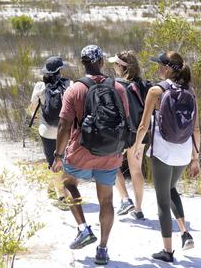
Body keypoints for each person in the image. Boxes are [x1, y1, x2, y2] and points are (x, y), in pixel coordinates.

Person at [52, 45, 130, 266]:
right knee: (106, 200)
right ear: (102, 62)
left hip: (81, 151)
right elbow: (124, 119)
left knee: (68, 183)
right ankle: (103, 250)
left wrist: (58, 155)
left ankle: (83, 228)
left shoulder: (75, 89)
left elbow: (64, 125)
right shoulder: (118, 88)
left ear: (82, 63)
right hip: (110, 153)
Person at [132, 51, 201, 263]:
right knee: (171, 189)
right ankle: (184, 232)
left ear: (169, 68)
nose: (158, 69)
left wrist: (136, 146)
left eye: (160, 65)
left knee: (162, 201)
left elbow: (144, 125)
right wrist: (196, 158)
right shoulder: (190, 91)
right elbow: (196, 129)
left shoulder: (156, 91)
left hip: (162, 151)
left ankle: (168, 251)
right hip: (182, 151)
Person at [107, 50, 150, 220]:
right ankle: (138, 209)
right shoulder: (145, 84)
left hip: (124, 135)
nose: (114, 67)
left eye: (116, 64)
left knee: (111, 166)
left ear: (122, 67)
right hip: (141, 134)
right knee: (136, 170)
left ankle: (125, 199)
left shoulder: (116, 85)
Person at [29, 56, 71, 209]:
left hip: (46, 130)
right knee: (61, 161)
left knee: (52, 162)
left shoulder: (40, 86)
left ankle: (60, 195)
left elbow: (32, 109)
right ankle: (57, 191)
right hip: (65, 130)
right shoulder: (69, 84)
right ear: (60, 70)